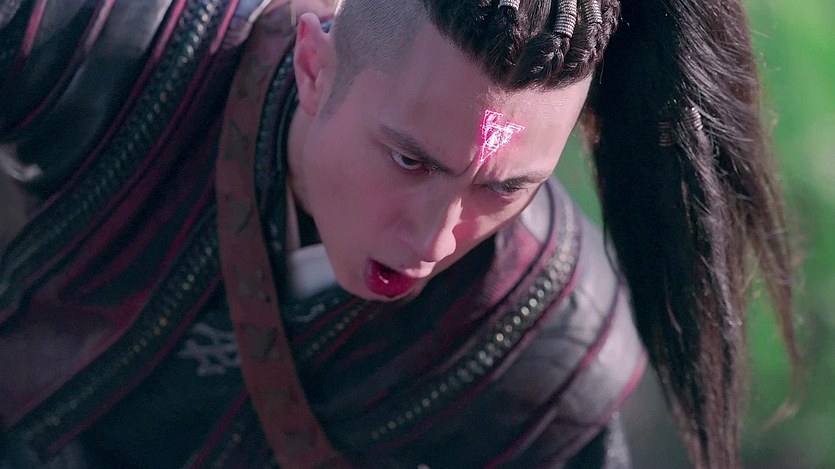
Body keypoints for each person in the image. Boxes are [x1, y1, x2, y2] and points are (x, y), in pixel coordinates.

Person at [0, 0, 797, 468]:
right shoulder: (116, 46)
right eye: (410, 160)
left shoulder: (538, 335)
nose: (434, 235)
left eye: (502, 187)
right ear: (314, 69)